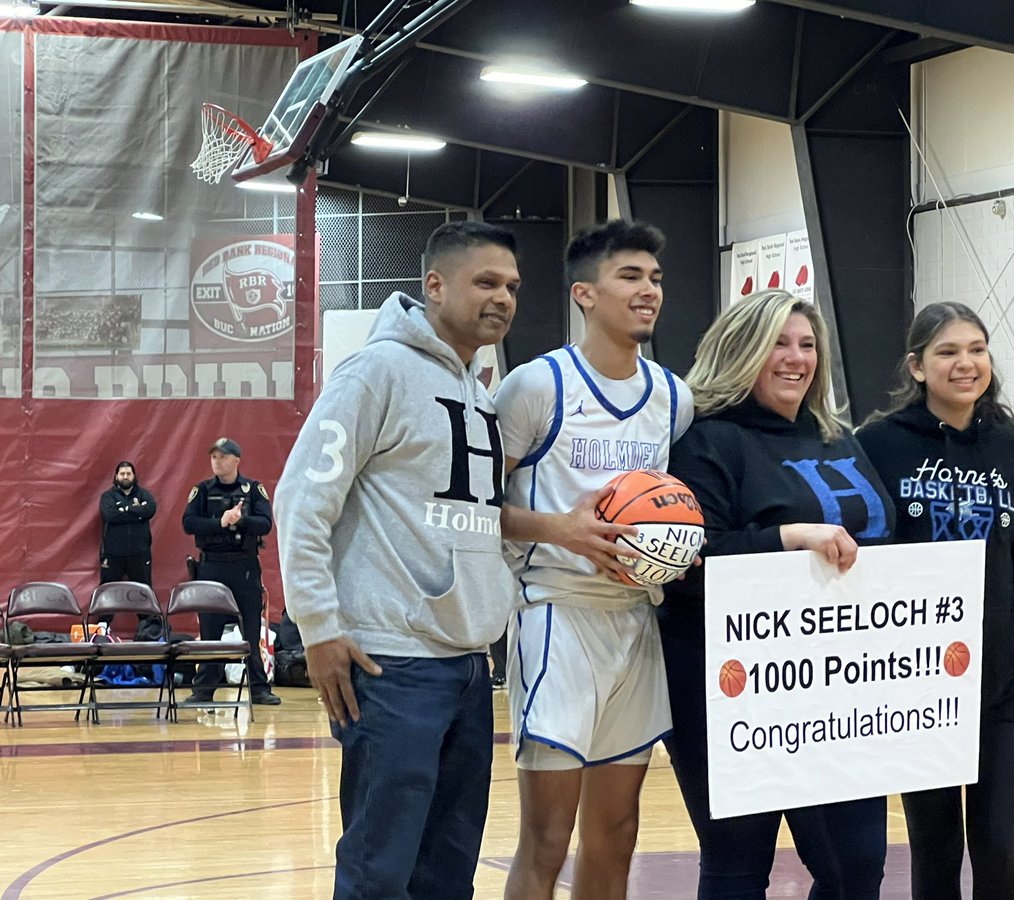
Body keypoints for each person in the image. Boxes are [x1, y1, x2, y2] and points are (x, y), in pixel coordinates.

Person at [275, 221, 520, 899]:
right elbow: (301, 500)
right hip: (391, 664)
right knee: (379, 874)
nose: (502, 298)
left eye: (511, 287)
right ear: (434, 285)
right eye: (486, 282)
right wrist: (319, 628)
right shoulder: (375, 372)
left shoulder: (479, 391)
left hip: (469, 668)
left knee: (447, 876)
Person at [658, 290, 893, 899]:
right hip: (727, 688)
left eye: (807, 345)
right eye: (778, 344)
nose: (796, 358)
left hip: (843, 689)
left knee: (858, 867)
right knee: (738, 867)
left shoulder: (838, 437)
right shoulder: (705, 442)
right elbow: (685, 562)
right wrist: (786, 536)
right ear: (741, 353)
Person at [496, 220, 693, 900]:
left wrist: (674, 546)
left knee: (618, 834)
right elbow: (467, 509)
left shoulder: (673, 397)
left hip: (634, 623)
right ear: (585, 293)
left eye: (656, 278)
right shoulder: (535, 387)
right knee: (546, 840)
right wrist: (559, 528)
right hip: (557, 618)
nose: (648, 291)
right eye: (630, 277)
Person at [856, 301, 1014, 900]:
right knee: (935, 847)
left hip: (1005, 681)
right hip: (915, 683)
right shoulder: (876, 444)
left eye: (976, 349)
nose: (965, 363)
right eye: (947, 352)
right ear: (917, 366)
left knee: (1000, 842)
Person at [182, 437, 280, 706]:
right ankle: (204, 690)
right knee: (211, 630)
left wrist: (242, 520)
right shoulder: (201, 490)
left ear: (236, 460)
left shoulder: (253, 490)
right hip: (212, 564)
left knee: (250, 629)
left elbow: (265, 524)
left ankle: (259, 688)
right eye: (214, 457)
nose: (217, 461)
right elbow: (189, 524)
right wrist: (221, 522)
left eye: (223, 457)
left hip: (244, 565)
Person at [99, 460, 156, 588]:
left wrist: (124, 509)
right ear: (116, 476)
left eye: (128, 473)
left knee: (144, 594)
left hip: (139, 554)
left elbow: (151, 510)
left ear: (134, 476)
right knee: (108, 593)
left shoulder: (144, 495)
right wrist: (138, 511)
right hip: (113, 554)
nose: (125, 476)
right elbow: (110, 515)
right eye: (122, 473)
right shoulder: (107, 497)